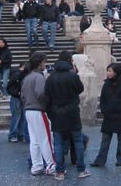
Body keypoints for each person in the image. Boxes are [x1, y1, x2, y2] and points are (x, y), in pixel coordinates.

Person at [45, 50, 90, 180]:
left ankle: (60, 171)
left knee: (58, 143)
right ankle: (81, 169)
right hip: (72, 112)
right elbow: (80, 89)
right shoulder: (72, 76)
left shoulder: (51, 77)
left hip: (57, 112)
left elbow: (47, 97)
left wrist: (50, 112)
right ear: (69, 61)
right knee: (77, 141)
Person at [91, 63, 121, 167]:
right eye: (108, 71)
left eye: (110, 71)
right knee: (105, 140)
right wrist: (104, 110)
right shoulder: (106, 84)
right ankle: (100, 160)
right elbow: (102, 99)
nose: (108, 73)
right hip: (109, 115)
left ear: (116, 72)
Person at [21, 51, 56, 176]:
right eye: (44, 62)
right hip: (38, 110)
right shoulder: (39, 77)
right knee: (46, 138)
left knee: (34, 140)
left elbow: (23, 95)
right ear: (40, 63)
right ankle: (51, 165)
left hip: (28, 110)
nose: (45, 64)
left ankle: (37, 165)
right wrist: (47, 104)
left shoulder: (28, 77)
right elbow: (41, 93)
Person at [7, 62, 29, 143]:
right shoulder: (17, 75)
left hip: (20, 97)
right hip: (16, 97)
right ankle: (13, 134)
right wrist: (17, 93)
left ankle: (20, 134)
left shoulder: (20, 75)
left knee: (22, 116)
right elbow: (10, 87)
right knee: (17, 116)